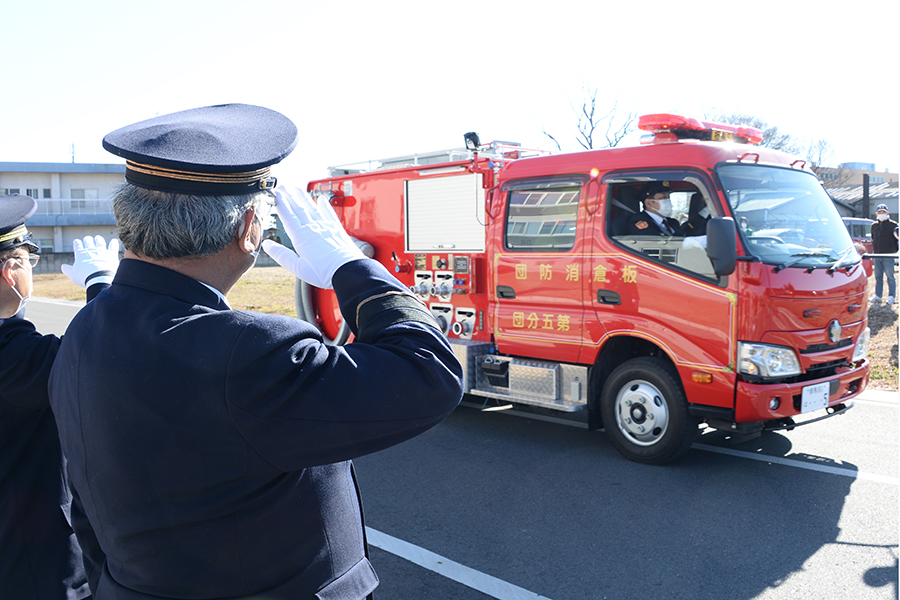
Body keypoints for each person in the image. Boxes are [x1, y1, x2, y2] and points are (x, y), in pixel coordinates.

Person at [47, 104, 464, 599]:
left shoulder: (85, 329)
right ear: (249, 228)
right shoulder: (244, 349)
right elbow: (430, 373)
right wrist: (352, 269)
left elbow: (88, 507)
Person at [0, 194, 119, 599]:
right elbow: (97, 358)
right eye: (27, 260)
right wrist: (101, 285)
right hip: (33, 569)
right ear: (9, 271)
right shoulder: (14, 355)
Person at [869, 203, 898, 304]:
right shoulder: (874, 226)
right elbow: (873, 238)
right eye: (880, 212)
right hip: (877, 254)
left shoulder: (893, 225)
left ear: (887, 213)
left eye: (883, 212)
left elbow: (897, 239)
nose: (882, 214)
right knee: (878, 276)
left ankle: (891, 296)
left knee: (890, 276)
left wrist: (894, 250)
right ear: (876, 214)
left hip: (888, 255)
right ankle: (878, 295)